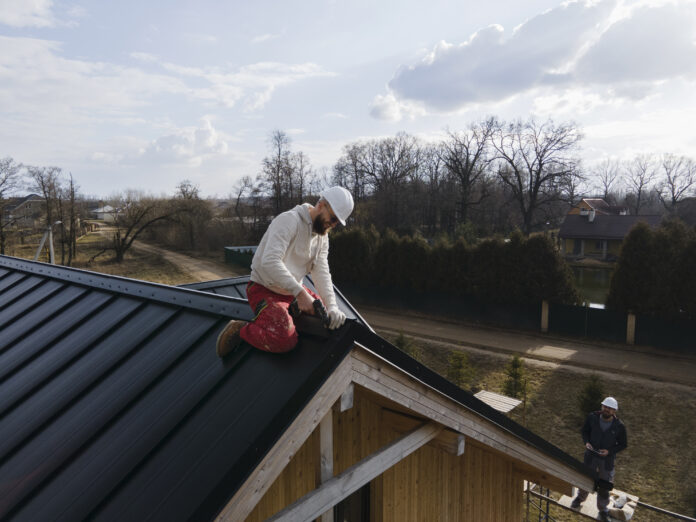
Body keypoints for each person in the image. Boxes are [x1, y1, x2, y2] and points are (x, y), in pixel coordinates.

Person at [216, 186, 353, 356]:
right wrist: (300, 293)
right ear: (322, 204)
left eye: (336, 223)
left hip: (293, 293)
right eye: (332, 218)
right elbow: (270, 262)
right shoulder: (289, 221)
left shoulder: (322, 237)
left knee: (328, 319)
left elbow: (322, 271)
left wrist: (332, 306)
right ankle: (240, 330)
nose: (332, 225)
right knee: (283, 340)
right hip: (264, 289)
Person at [571, 397, 628, 521]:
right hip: (590, 456)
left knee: (604, 485)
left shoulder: (619, 426)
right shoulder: (592, 417)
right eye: (605, 407)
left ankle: (602, 509)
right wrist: (586, 442)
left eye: (610, 408)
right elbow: (584, 431)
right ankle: (579, 498)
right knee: (585, 478)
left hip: (606, 461)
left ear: (614, 411)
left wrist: (609, 451)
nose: (607, 410)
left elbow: (623, 444)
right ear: (602, 407)